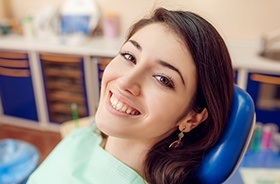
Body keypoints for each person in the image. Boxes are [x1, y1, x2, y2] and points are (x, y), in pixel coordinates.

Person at [27, 7, 234, 184]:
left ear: (192, 118)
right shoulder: (86, 136)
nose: (125, 81)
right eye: (129, 56)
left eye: (162, 79)